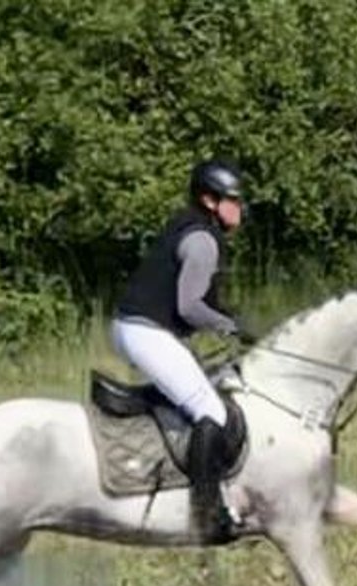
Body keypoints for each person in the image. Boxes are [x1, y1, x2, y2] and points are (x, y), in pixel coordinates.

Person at [111, 159, 252, 543]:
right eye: (232, 201)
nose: (239, 209)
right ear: (209, 200)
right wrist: (232, 325)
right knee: (211, 410)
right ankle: (206, 515)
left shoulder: (189, 225)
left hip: (141, 328)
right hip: (145, 332)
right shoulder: (203, 241)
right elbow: (189, 306)